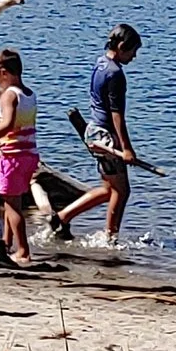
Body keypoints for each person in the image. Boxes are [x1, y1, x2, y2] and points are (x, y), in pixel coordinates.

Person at [56, 24, 142, 246]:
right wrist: (127, 148)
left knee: (108, 189)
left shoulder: (101, 63)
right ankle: (110, 238)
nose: (134, 56)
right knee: (122, 192)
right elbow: (117, 116)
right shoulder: (115, 74)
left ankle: (61, 218)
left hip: (94, 132)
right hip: (107, 137)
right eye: (133, 51)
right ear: (122, 47)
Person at [0, 47, 40, 268]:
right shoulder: (29, 94)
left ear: (4, 72)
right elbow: (20, 128)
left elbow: (7, 124)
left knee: (12, 205)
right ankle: (6, 244)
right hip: (29, 155)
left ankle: (23, 251)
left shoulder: (9, 95)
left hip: (13, 158)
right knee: (11, 200)